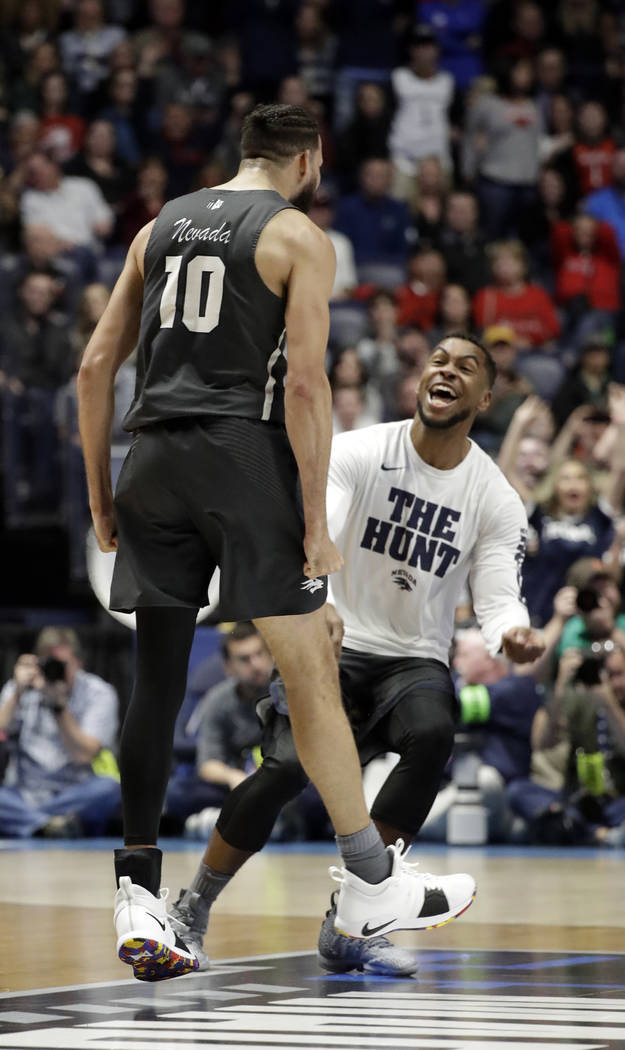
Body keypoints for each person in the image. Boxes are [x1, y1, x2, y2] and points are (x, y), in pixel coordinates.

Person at [77, 103, 475, 983]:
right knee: (309, 675)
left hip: (150, 460)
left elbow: (95, 366)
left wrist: (102, 492)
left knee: (155, 682)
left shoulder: (158, 226)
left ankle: (138, 889)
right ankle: (370, 881)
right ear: (308, 160)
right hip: (240, 458)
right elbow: (302, 383)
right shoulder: (297, 234)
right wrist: (313, 526)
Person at [167, 332, 545, 976]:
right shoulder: (361, 450)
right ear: (420, 379)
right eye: (438, 361)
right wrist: (320, 595)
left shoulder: (495, 496)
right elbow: (319, 533)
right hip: (333, 644)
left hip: (413, 658)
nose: (447, 371)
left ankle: (355, 920)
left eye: (466, 367)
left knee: (433, 730)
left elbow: (498, 593)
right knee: (284, 770)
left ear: (485, 398)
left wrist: (513, 631)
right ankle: (191, 909)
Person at [0, 627, 120, 838]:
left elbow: (83, 754)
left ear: (78, 663)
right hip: (24, 792)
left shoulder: (99, 692)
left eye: (62, 665)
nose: (54, 672)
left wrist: (58, 707)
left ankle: (30, 822)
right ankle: (50, 824)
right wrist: (17, 694)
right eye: (48, 665)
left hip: (76, 792)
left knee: (110, 788)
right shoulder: (19, 688)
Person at [164, 622, 273, 831]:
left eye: (260, 654)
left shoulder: (287, 693)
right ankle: (244, 818)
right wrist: (233, 777)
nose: (256, 664)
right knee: (177, 792)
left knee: (312, 795)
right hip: (235, 784)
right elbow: (207, 764)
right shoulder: (217, 700)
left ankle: (223, 819)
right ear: (228, 667)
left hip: (279, 783)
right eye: (245, 659)